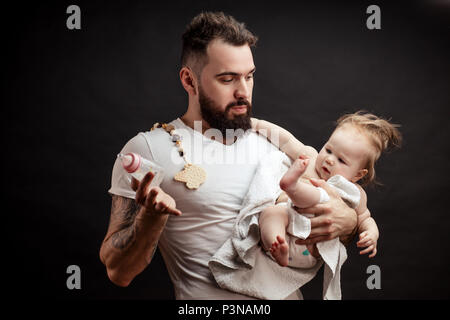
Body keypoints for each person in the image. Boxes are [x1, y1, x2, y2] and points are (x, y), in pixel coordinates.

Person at [99, 11, 358, 300]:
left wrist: (348, 220)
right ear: (189, 81)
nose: (243, 91)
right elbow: (118, 271)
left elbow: (329, 204)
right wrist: (149, 219)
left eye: (249, 76)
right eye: (227, 79)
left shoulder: (270, 141)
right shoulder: (147, 149)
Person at [252, 112, 402, 267]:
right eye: (329, 150)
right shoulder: (310, 160)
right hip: (285, 235)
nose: (329, 159)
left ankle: (293, 187)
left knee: (320, 195)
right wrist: (257, 124)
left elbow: (365, 218)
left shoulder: (355, 192)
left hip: (309, 249)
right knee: (272, 213)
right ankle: (276, 244)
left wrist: (371, 234)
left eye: (341, 160)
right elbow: (286, 141)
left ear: (358, 174)